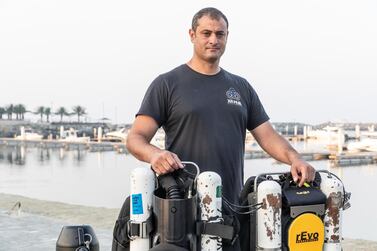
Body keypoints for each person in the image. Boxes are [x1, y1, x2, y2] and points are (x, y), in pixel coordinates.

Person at [125, 7, 315, 251]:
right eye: (206, 33)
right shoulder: (167, 83)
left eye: (220, 34)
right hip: (182, 209)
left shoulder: (240, 87)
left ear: (227, 37)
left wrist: (295, 159)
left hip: (230, 210)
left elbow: (267, 136)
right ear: (192, 35)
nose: (213, 40)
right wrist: (155, 155)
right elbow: (135, 138)